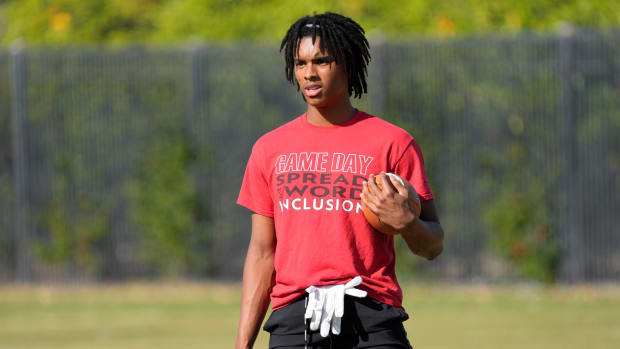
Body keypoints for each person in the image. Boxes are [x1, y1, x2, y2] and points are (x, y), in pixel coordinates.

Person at [235, 12, 444, 349]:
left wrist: (408, 223)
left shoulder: (393, 142)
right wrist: (242, 344)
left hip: (372, 318)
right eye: (300, 63)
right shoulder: (269, 149)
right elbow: (262, 254)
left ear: (347, 63)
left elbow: (433, 245)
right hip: (294, 320)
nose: (309, 73)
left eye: (322, 61)